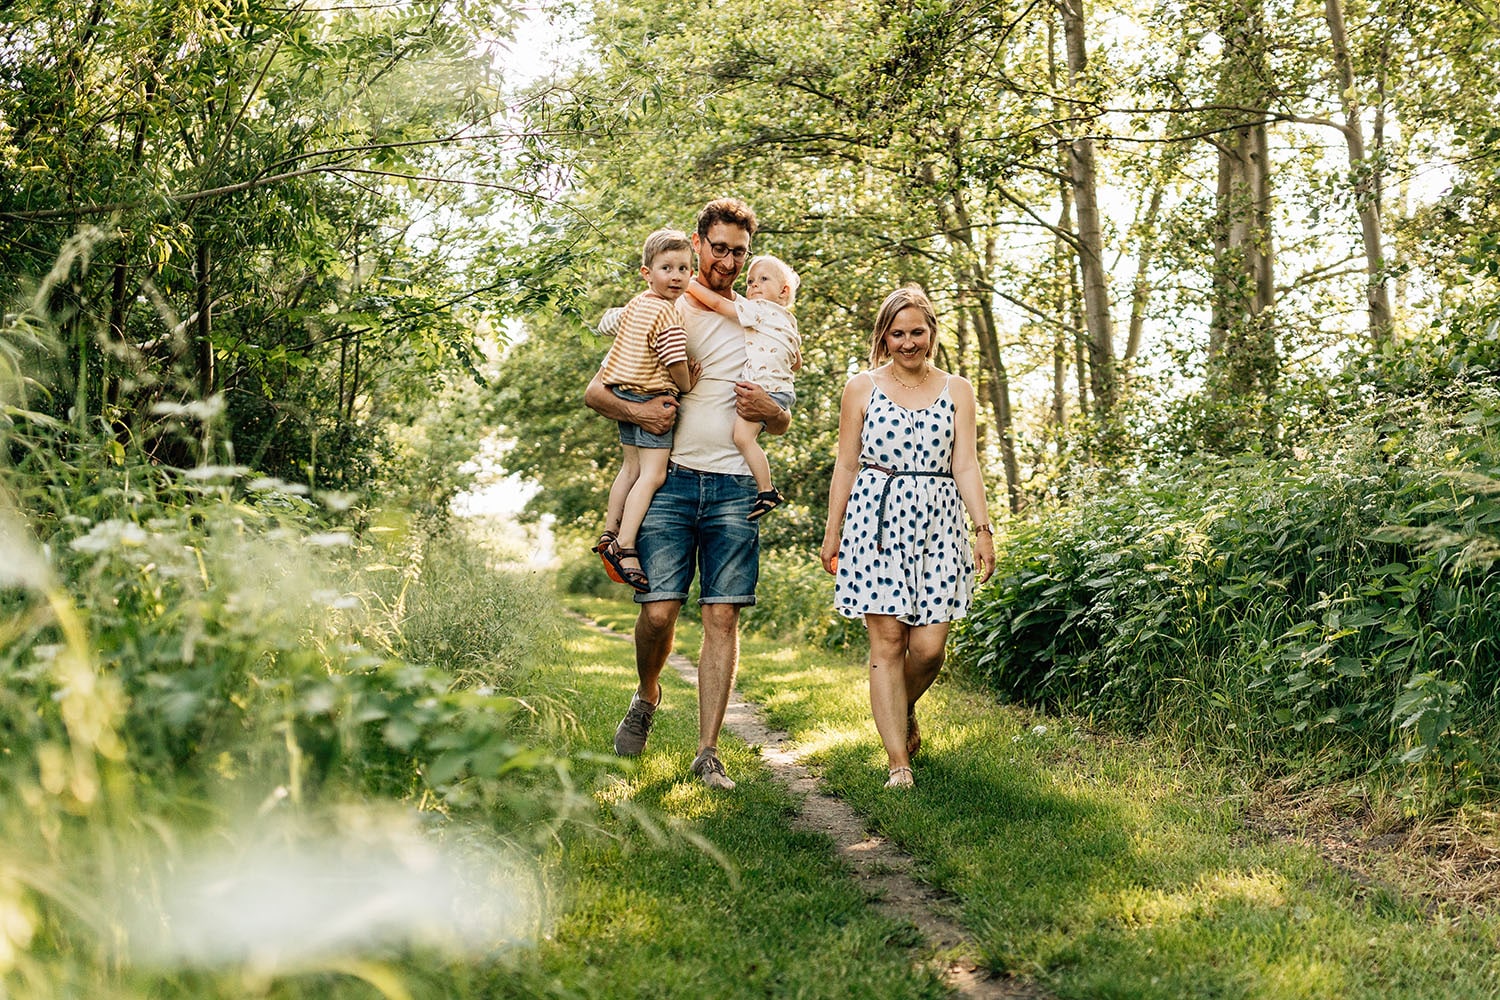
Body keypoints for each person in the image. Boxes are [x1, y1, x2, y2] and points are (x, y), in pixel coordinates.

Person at [584, 198, 790, 790]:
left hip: (733, 487)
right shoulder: (663, 306)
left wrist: (770, 412)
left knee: (722, 614)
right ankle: (647, 693)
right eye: (718, 247)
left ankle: (707, 752)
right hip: (669, 481)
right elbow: (597, 392)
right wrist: (639, 411)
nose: (728, 260)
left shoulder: (765, 318)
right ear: (697, 245)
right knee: (658, 612)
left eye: (739, 252)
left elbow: (781, 419)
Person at [819, 284, 996, 789]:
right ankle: (899, 763)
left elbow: (965, 464)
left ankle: (901, 704)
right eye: (898, 333)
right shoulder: (861, 386)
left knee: (929, 649)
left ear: (932, 332)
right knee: (888, 641)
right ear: (884, 337)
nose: (908, 342)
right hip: (875, 520)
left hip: (940, 522)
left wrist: (982, 529)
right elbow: (847, 464)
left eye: (917, 331)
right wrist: (833, 532)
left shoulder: (957, 389)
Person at [592, 228, 698, 593]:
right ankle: (625, 545)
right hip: (652, 397)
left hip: (623, 392)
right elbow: (673, 361)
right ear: (646, 272)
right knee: (652, 475)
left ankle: (609, 531)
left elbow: (609, 323)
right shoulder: (668, 315)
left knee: (630, 467)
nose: (676, 276)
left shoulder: (636, 304)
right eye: (667, 268)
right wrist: (687, 383)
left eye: (684, 268)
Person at [682, 254, 802, 520]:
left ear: (783, 290)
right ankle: (766, 489)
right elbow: (796, 362)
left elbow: (717, 303)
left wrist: (689, 283)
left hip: (765, 389)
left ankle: (767, 490)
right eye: (749, 281)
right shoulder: (790, 322)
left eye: (763, 279)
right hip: (782, 391)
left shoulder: (758, 310)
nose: (754, 286)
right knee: (747, 436)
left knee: (742, 438)